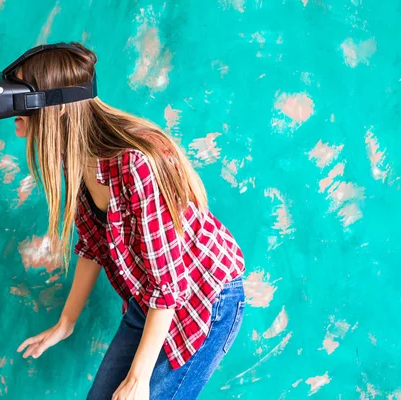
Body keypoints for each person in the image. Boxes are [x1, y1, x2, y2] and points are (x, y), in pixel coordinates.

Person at [14, 42, 246, 400]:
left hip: (203, 298)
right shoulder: (75, 157)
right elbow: (94, 245)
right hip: (150, 299)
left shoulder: (133, 165)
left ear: (57, 109)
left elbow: (170, 285)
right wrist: (66, 322)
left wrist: (138, 379)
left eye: (22, 110)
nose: (18, 128)